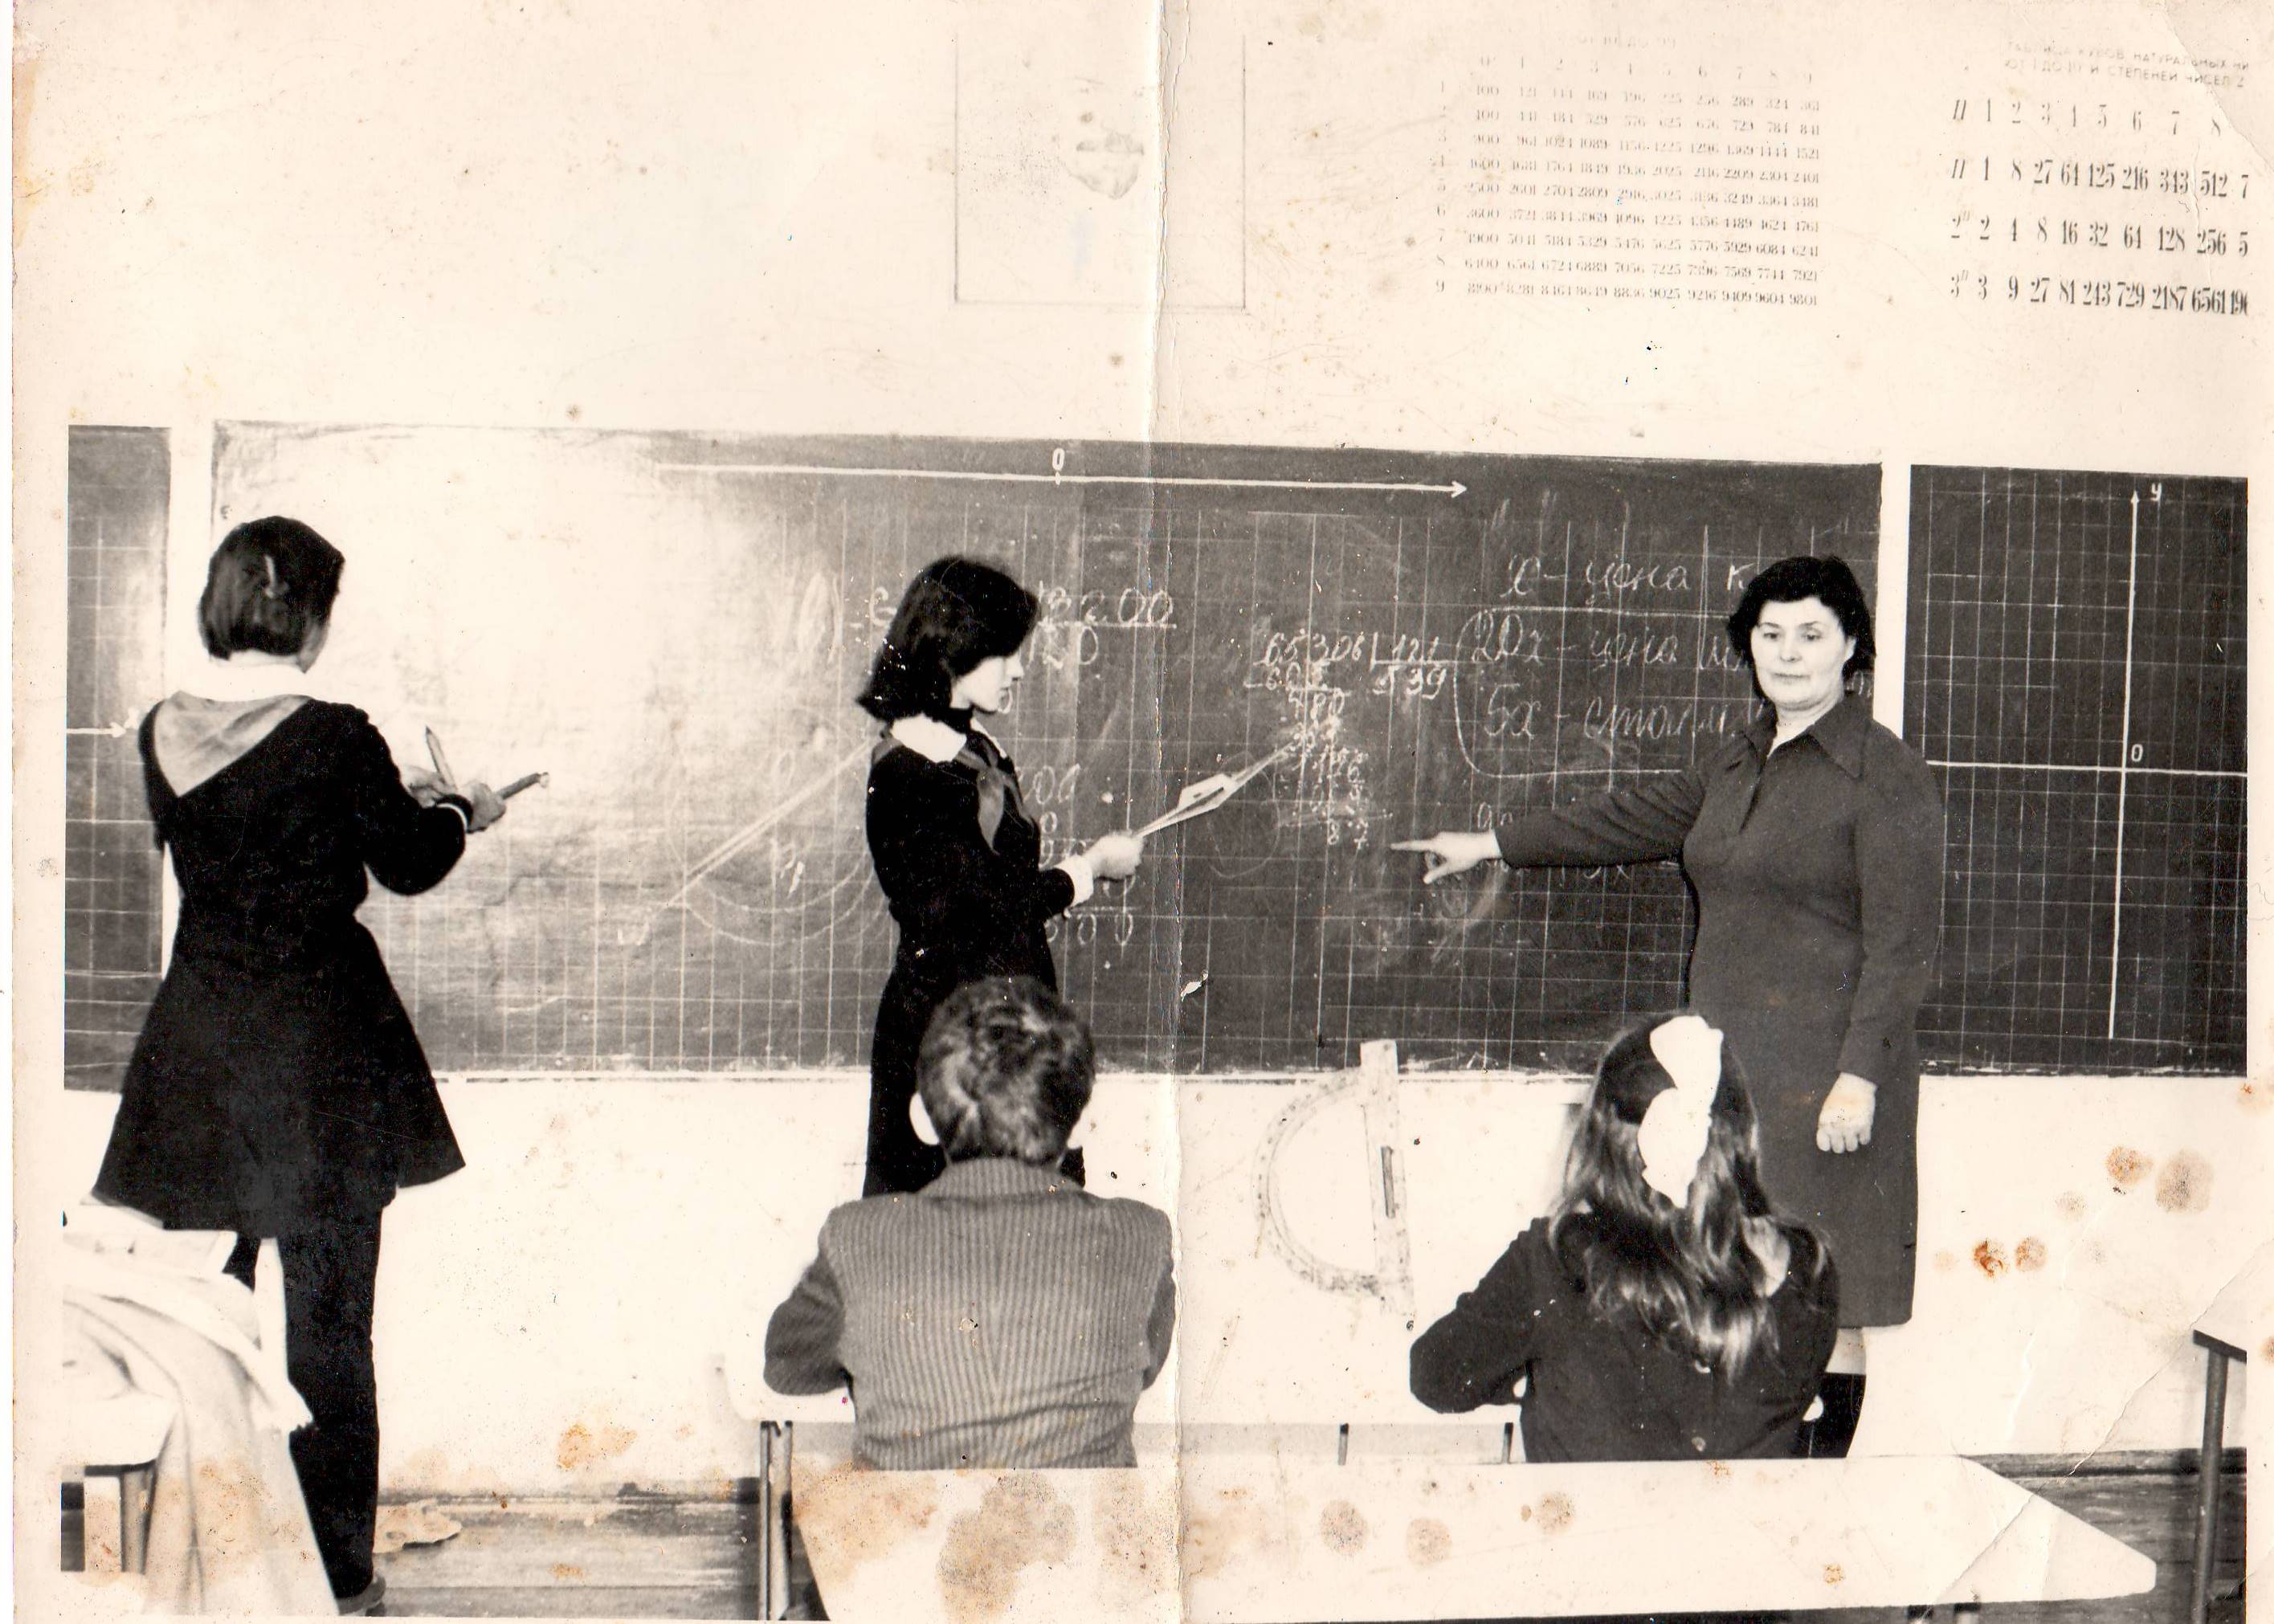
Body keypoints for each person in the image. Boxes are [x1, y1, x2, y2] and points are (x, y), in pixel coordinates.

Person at [1395, 554, 1942, 1453]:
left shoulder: (1884, 775)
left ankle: (1808, 1494)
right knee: (1714, 1273)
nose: (1788, 654)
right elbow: (1628, 819)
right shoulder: (1734, 761)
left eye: (1811, 635)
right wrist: (1491, 842)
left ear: (1851, 646)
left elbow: (1903, 946)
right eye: (1770, 635)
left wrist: (1858, 1079)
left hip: (1828, 1083)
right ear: (1748, 647)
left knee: (1819, 1297)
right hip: (1724, 1082)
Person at [91, 516, 508, 1614]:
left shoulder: (163, 729)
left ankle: (209, 1571)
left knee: (195, 1320)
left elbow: (237, 833)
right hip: (324, 1054)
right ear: (312, 618)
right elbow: (408, 863)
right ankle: (337, 1579)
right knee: (329, 1333)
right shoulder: (335, 733)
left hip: (198, 1051)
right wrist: (461, 809)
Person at [764, 976, 1177, 1469]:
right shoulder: (1140, 1237)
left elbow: (786, 1367)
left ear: (920, 1119)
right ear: (1083, 1123)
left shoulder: (857, 1238)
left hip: (913, 1523)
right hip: (1075, 1522)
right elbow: (1144, 1369)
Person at [1411, 1015, 1839, 1462]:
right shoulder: (1808, 1270)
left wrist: (1527, 1376)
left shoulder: (1554, 1261)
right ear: (1740, 1127)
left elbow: (1434, 1377)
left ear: (1601, 1136)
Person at [855, 557, 1141, 1196]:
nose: (1018, 669)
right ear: (955, 649)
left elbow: (996, 889)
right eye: (1005, 653)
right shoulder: (906, 771)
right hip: (946, 1041)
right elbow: (978, 911)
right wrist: (1089, 870)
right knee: (937, 1223)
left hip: (1009, 1027)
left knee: (1034, 1221)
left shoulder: (976, 748)